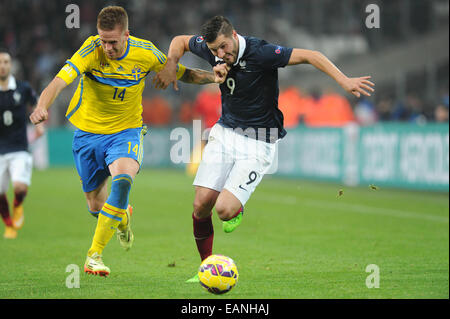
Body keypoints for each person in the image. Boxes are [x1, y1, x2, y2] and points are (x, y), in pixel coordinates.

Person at [153, 15, 375, 282]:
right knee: (201, 204)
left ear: (234, 35)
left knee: (224, 209)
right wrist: (170, 64)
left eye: (224, 47)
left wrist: (344, 81)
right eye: (214, 51)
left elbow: (311, 55)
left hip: (259, 141)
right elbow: (179, 41)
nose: (220, 54)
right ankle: (207, 267)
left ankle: (237, 207)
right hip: (225, 133)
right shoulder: (213, 50)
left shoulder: (262, 52)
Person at [29, 6, 225, 277]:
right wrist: (42, 106)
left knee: (122, 180)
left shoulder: (145, 52)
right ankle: (122, 216)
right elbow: (58, 83)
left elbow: (182, 73)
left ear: (126, 35)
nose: (107, 47)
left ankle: (93, 256)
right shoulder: (90, 50)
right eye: (103, 40)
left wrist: (212, 76)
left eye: (113, 41)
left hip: (126, 132)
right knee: (96, 206)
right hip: (87, 134)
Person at [0, 48, 44, 239]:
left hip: (19, 146)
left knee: (19, 187)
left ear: (11, 65)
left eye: (6, 62)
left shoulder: (22, 88)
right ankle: (9, 225)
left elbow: (36, 103)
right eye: (0, 63)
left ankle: (18, 204)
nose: (2, 66)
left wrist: (39, 124)